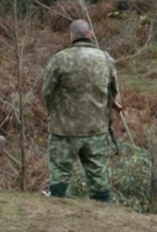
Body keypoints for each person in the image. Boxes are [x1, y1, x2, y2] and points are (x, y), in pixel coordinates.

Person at [40, 19, 122, 202]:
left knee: (59, 176)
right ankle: (103, 216)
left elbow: (46, 92)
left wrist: (55, 114)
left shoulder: (60, 59)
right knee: (98, 178)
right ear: (90, 34)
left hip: (64, 129)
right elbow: (113, 93)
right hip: (96, 129)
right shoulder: (106, 59)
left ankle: (56, 212)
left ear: (71, 36)